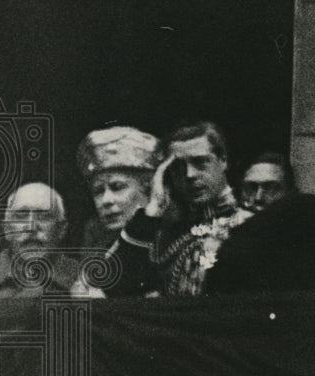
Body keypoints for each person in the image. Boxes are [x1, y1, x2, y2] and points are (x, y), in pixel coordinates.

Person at [106, 120, 252, 297]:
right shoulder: (163, 237)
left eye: (200, 162)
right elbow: (112, 287)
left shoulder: (251, 226)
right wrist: (153, 209)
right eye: (178, 167)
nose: (189, 175)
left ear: (223, 161)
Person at [76, 126, 161, 251]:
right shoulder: (95, 250)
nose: (106, 200)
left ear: (148, 188)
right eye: (98, 191)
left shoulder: (169, 244)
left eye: (117, 187)